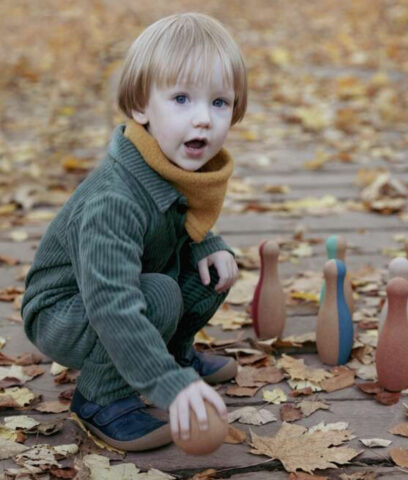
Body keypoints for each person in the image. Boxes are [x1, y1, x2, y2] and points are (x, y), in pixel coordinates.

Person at [20, 12, 247, 452]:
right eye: (182, 98)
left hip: (121, 288)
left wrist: (210, 242)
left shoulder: (167, 162)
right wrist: (168, 386)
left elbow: (180, 221)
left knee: (214, 267)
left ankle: (174, 352)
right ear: (142, 106)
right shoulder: (114, 200)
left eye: (219, 102)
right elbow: (112, 303)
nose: (203, 119)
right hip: (67, 311)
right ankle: (100, 398)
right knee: (159, 293)